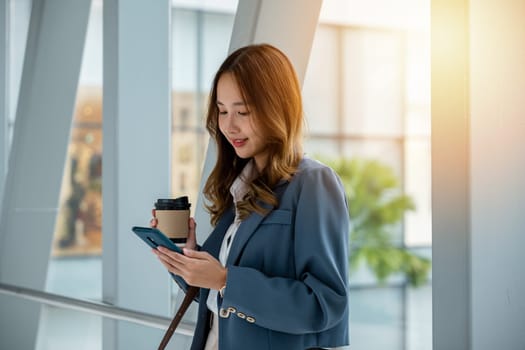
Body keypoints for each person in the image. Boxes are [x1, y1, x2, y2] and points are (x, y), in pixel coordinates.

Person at [151, 43, 350, 350]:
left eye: (242, 111)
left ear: (276, 107)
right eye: (222, 110)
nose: (230, 125)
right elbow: (220, 296)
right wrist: (187, 262)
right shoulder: (240, 187)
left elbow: (325, 305)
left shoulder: (313, 183)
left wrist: (225, 280)